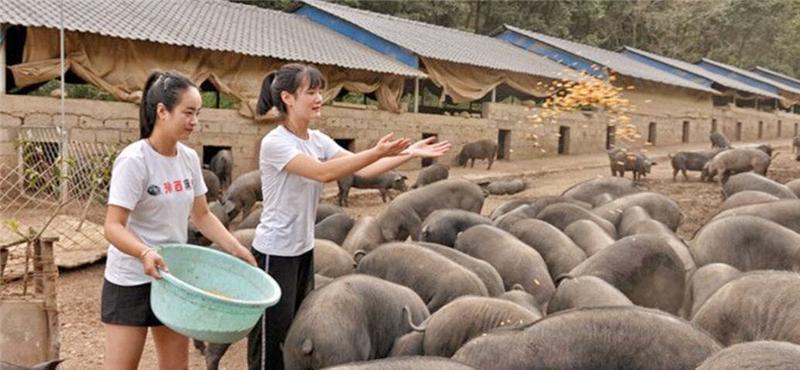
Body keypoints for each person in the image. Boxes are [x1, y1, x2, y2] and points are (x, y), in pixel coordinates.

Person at [248, 63, 451, 370]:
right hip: (274, 253)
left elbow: (364, 170)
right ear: (288, 98)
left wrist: (410, 153)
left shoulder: (316, 139)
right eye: (311, 92)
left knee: (293, 334)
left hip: (302, 251)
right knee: (268, 340)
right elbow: (324, 172)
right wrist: (378, 151)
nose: (319, 98)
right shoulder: (276, 142)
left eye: (320, 91)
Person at [102, 71, 257, 370]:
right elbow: (113, 226)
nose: (194, 121)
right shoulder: (135, 161)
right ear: (162, 111)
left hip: (173, 280)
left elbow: (202, 215)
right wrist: (145, 252)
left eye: (197, 113)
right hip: (130, 279)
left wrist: (236, 248)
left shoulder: (187, 159)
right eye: (188, 112)